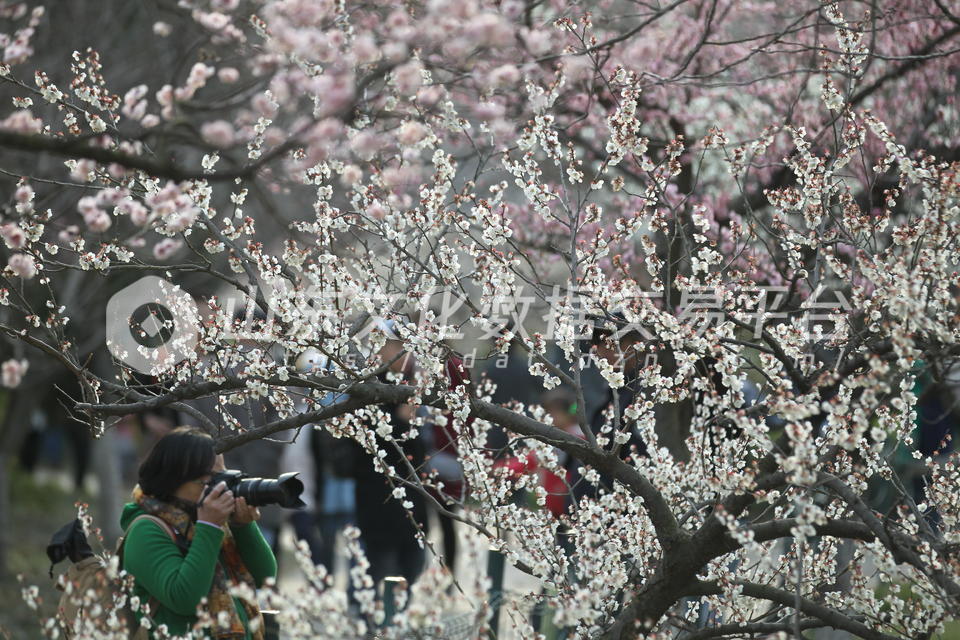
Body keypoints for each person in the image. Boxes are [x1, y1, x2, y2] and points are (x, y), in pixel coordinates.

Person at [119, 426, 277, 639]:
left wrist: (243, 526)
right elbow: (185, 598)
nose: (222, 487)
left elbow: (264, 578)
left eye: (223, 475)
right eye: (211, 479)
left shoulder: (210, 520)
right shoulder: (146, 530)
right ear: (173, 479)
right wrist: (209, 527)